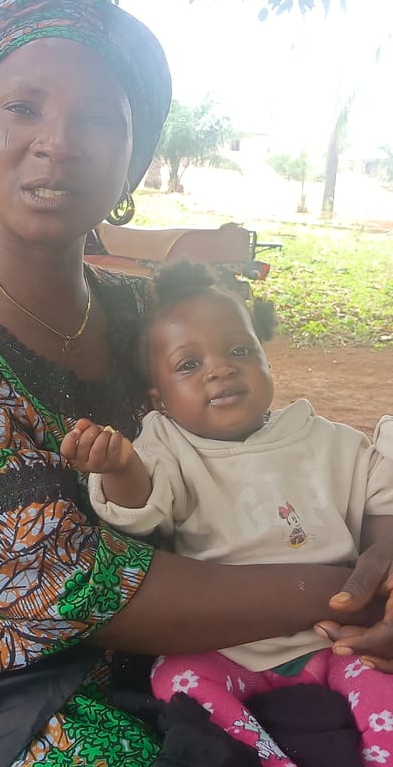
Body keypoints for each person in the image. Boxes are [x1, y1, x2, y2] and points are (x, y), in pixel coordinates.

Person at [0, 0, 393, 767]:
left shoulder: (142, 320)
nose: (57, 141)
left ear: (130, 156)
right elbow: (76, 589)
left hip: (202, 649)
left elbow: (277, 455)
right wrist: (348, 590)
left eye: (96, 118)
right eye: (22, 108)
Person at [60, 261, 393, 766]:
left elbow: (383, 503)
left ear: (267, 359)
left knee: (381, 677)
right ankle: (266, 757)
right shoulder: (168, 444)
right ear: (161, 399)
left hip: (334, 638)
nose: (220, 368)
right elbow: (142, 515)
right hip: (229, 645)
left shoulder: (329, 441)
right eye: (188, 365)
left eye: (240, 350)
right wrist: (121, 468)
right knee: (177, 680)